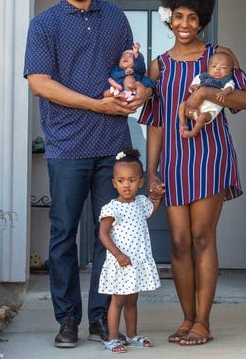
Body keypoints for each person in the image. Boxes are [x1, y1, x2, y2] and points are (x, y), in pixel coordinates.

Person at [23, 0, 153, 349]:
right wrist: (96, 104)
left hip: (114, 146)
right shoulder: (44, 24)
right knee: (63, 234)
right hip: (67, 144)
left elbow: (132, 69)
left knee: (109, 235)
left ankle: (101, 317)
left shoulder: (115, 17)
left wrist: (139, 88)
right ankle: (67, 320)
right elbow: (40, 82)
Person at [138, 0, 246, 346]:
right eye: (179, 16)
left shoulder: (219, 57)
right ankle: (186, 319)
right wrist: (151, 171)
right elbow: (156, 125)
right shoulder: (159, 66)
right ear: (169, 18)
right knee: (177, 242)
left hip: (209, 155)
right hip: (173, 162)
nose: (185, 24)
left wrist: (207, 90)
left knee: (203, 237)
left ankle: (204, 321)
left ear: (202, 20)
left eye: (193, 17)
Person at [98, 147, 162, 353]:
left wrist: (157, 197)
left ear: (140, 182)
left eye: (132, 180)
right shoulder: (111, 208)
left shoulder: (141, 202)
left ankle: (133, 334)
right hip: (121, 262)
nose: (127, 185)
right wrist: (118, 255)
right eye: (121, 180)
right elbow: (103, 234)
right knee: (117, 301)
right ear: (114, 182)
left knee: (132, 300)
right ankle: (112, 338)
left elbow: (151, 210)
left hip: (136, 262)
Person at [178, 51, 236, 138]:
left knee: (202, 117)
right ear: (208, 68)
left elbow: (230, 88)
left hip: (208, 111)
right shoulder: (201, 77)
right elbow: (191, 87)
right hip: (191, 108)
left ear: (230, 73)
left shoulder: (226, 81)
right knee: (182, 105)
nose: (218, 69)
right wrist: (194, 87)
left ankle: (193, 132)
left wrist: (224, 92)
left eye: (223, 68)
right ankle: (183, 124)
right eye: (214, 66)